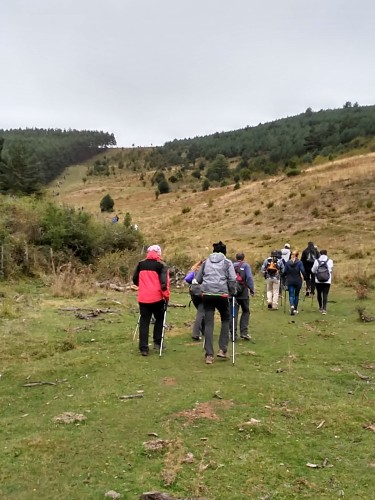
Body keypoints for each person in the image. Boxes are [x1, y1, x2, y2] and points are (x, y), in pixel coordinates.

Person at [195, 241, 236, 365]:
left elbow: (198, 279)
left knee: (209, 323)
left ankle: (209, 355)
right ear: (225, 252)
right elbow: (232, 279)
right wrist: (232, 291)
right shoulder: (227, 262)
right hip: (222, 294)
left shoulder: (206, 262)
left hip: (207, 294)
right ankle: (222, 349)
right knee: (225, 318)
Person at [132, 244, 170, 356]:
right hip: (157, 297)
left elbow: (135, 279)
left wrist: (143, 285)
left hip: (143, 297)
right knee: (159, 319)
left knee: (144, 321)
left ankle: (144, 348)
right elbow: (164, 284)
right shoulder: (162, 265)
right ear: (159, 253)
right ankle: (157, 342)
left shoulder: (141, 264)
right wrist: (166, 296)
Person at [230, 252, 255, 341]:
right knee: (246, 311)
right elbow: (249, 278)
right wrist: (252, 289)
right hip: (243, 292)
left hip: (233, 293)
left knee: (233, 314)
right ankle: (244, 332)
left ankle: (233, 335)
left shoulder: (231, 265)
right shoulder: (246, 266)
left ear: (236, 258)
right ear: (243, 258)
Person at [184, 259, 205, 341]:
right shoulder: (206, 271)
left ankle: (204, 331)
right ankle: (195, 333)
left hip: (193, 294)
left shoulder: (195, 270)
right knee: (201, 313)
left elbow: (187, 279)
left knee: (201, 312)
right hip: (202, 293)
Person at [282, 250, 306, 315]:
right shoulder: (300, 263)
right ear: (298, 255)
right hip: (298, 280)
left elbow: (285, 272)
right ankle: (295, 309)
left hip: (290, 280)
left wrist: (283, 277)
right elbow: (303, 271)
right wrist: (305, 277)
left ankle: (292, 305)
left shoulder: (287, 263)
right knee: (296, 295)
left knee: (291, 294)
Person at [311, 249, 333, 315]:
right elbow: (330, 270)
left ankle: (320, 307)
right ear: (326, 254)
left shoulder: (316, 261)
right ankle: (324, 309)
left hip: (318, 280)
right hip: (327, 280)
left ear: (320, 254)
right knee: (325, 294)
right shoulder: (330, 261)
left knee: (319, 293)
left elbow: (313, 270)